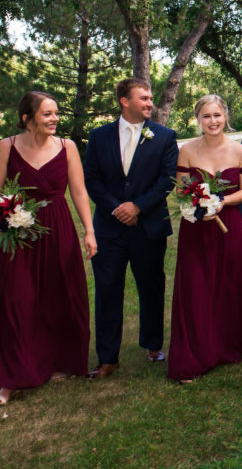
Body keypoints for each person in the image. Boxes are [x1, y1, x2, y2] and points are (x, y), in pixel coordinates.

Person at [0, 92, 97, 405]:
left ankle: (61, 361)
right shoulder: (6, 147)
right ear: (27, 118)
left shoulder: (67, 147)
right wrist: (9, 215)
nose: (55, 119)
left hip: (58, 229)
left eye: (56, 113)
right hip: (19, 234)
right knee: (17, 300)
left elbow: (79, 192)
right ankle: (14, 373)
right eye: (47, 114)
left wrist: (89, 231)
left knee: (60, 295)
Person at [84, 78, 178, 379]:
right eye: (144, 98)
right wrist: (117, 208)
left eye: (150, 98)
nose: (150, 102)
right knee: (107, 289)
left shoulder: (165, 136)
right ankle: (107, 358)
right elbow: (91, 179)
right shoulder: (99, 136)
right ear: (124, 101)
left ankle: (153, 344)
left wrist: (137, 206)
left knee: (151, 286)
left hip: (148, 226)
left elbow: (166, 180)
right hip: (109, 228)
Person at [167, 95, 242, 383]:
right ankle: (195, 352)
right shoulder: (187, 151)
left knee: (227, 285)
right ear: (198, 119)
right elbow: (181, 190)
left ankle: (225, 345)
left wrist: (221, 202)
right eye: (206, 116)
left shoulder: (241, 151)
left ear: (225, 117)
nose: (213, 121)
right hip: (196, 228)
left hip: (228, 224)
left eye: (217, 115)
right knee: (196, 288)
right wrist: (197, 204)